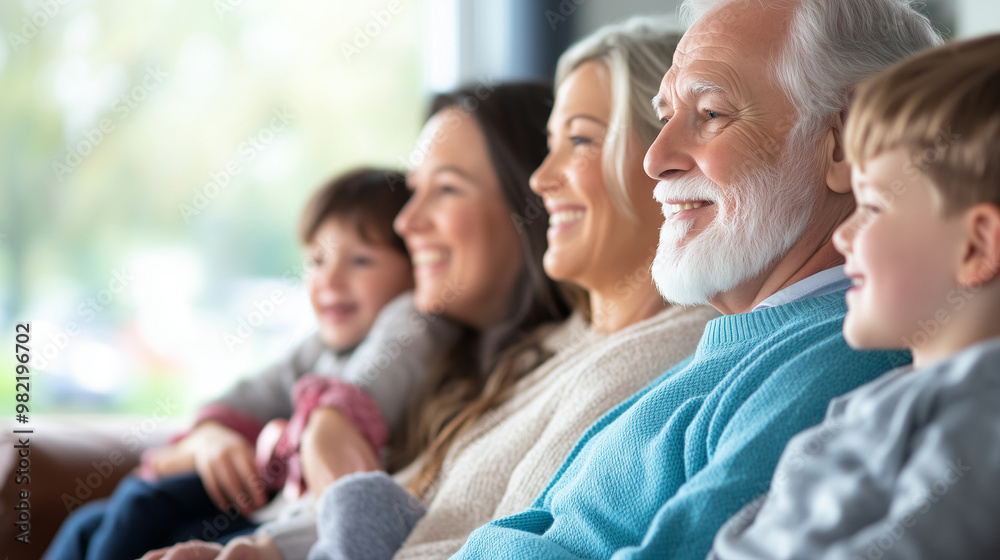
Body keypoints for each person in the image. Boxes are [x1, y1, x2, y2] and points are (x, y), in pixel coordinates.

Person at [453, 1, 940, 559]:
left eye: (711, 113)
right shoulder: (746, 343)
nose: (655, 159)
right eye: (665, 118)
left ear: (845, 145)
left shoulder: (845, 362)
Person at [305, 17, 717, 560]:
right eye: (551, 144)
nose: (541, 179)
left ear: (666, 160)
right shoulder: (553, 345)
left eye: (579, 140)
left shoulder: (658, 361)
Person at [137, 83, 574, 560]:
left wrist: (329, 424)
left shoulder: (534, 373)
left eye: (446, 189)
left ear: (534, 206)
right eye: (413, 192)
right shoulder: (452, 363)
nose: (406, 224)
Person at [44, 168, 461, 560]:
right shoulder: (316, 350)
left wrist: (289, 436)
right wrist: (212, 437)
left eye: (360, 261)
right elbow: (243, 401)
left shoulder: (412, 320)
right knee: (91, 522)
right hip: (275, 510)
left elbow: (355, 399)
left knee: (146, 507)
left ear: (415, 267)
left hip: (305, 523)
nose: (329, 282)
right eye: (316, 261)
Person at [709, 33, 1000, 560]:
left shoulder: (982, 413)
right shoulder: (886, 395)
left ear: (976, 245)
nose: (845, 235)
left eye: (873, 207)